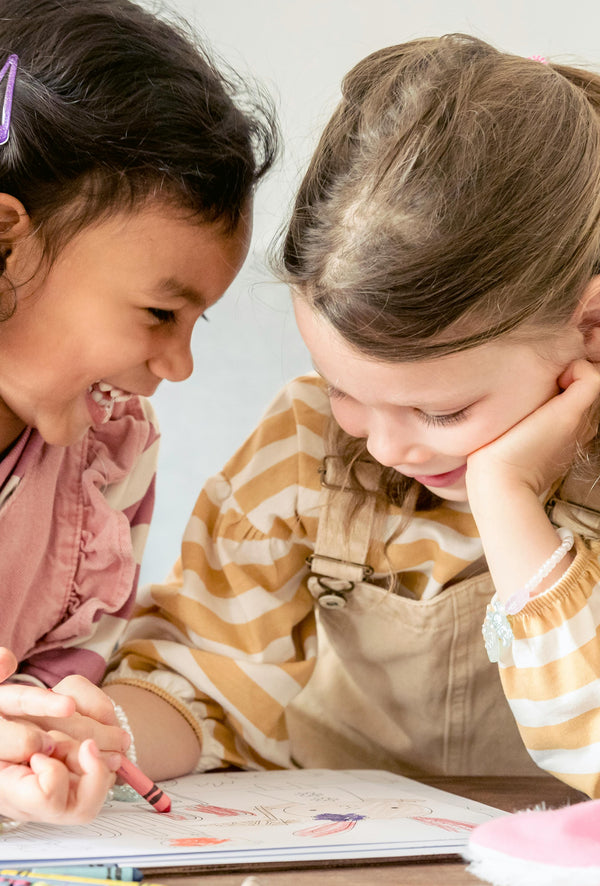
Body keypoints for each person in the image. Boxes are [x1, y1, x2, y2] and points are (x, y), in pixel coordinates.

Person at [106, 34, 600, 800]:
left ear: (591, 328)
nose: (388, 445)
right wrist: (102, 732)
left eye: (441, 411)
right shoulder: (311, 449)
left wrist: (507, 498)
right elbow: (203, 681)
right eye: (345, 389)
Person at [0, 0, 276, 825]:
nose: (179, 365)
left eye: (197, 323)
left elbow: (58, 677)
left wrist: (48, 749)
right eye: (160, 313)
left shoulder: (110, 454)